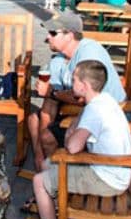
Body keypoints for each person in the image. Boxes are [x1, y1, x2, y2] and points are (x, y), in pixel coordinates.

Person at [31, 59, 131, 219]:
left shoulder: (94, 111)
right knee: (48, 164)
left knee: (39, 181)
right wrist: (75, 128)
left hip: (107, 178)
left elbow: (72, 147)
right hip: (116, 169)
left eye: (74, 80)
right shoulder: (104, 99)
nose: (71, 83)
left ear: (84, 86)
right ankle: (55, 212)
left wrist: (72, 131)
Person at [27, 11, 124, 172]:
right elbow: (49, 102)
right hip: (82, 111)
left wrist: (52, 92)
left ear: (70, 35)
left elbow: (82, 97)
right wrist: (39, 153)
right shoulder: (58, 60)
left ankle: (58, 178)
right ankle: (46, 170)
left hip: (108, 117)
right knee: (34, 120)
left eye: (53, 33)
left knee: (45, 134)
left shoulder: (89, 53)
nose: (47, 37)